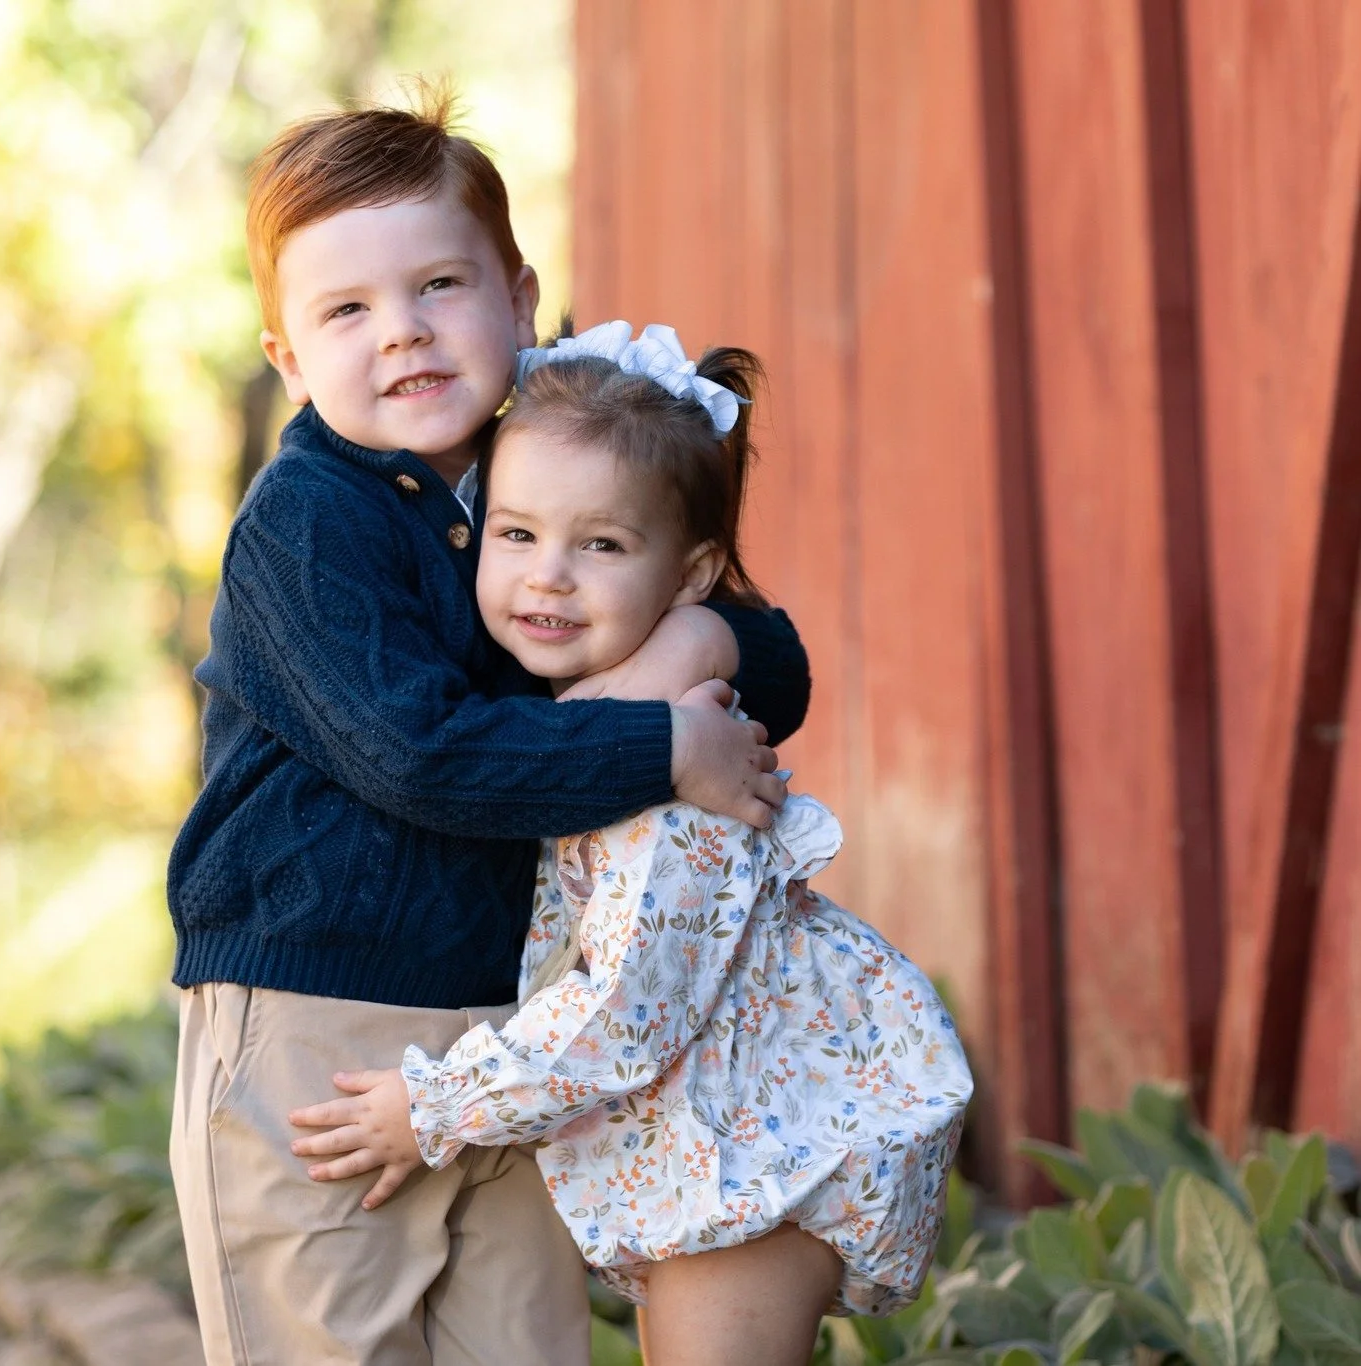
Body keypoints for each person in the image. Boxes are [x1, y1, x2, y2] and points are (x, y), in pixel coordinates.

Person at [167, 91, 811, 1366]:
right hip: (318, 1009)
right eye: (345, 310)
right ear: (288, 356)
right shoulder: (309, 523)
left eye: (437, 285)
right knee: (333, 1338)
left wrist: (695, 645)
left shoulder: (558, 451)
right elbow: (420, 752)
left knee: (521, 1343)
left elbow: (764, 647)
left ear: (519, 297)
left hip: (512, 1023)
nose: (399, 332)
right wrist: (660, 743)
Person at [289, 321, 974, 1366]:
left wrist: (430, 1109)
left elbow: (622, 1017)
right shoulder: (595, 724)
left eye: (600, 544)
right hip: (705, 1157)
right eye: (516, 534)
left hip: (753, 1158)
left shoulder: (681, 792)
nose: (548, 578)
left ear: (692, 573)